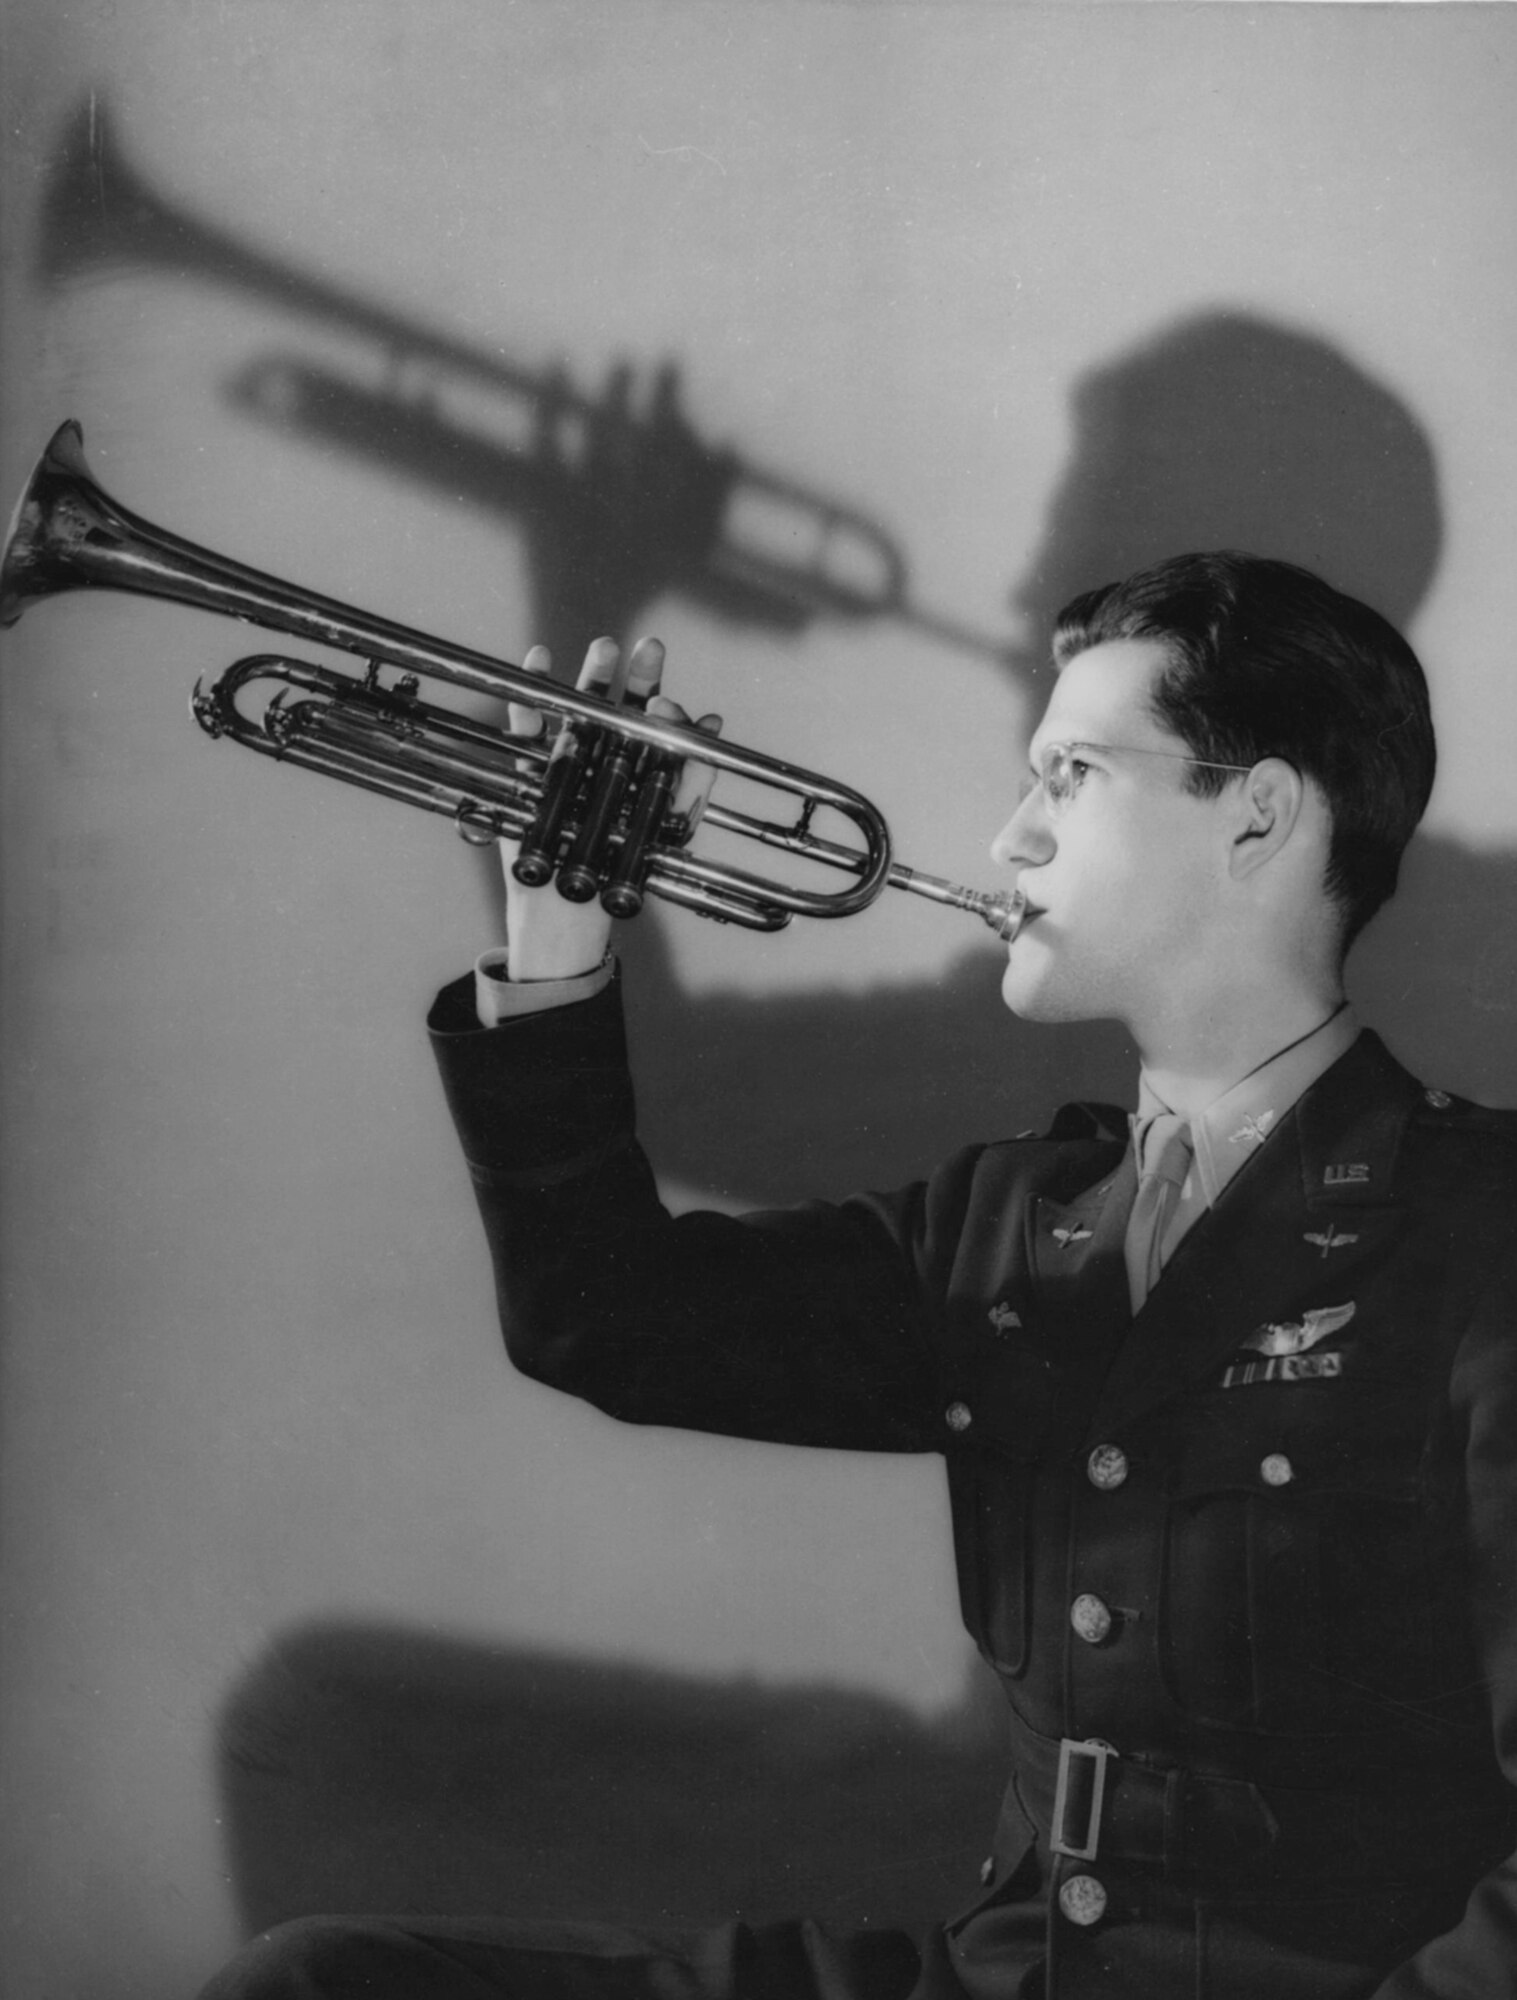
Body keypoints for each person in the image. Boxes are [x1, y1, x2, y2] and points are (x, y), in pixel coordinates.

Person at [199, 553, 1517, 1999]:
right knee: (315, 1984)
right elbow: (605, 1319)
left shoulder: (1480, 1227)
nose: (1013, 836)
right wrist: (558, 916)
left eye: (1069, 774)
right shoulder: (1006, 1218)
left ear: (1255, 815)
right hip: (1000, 1978)